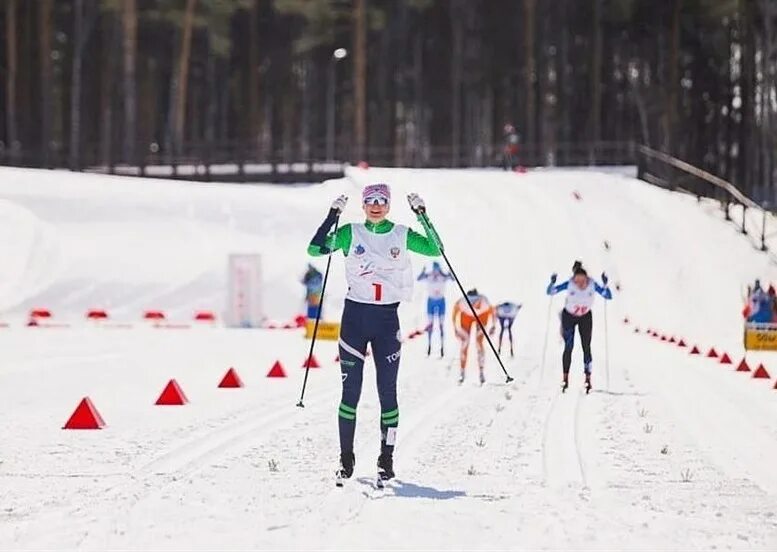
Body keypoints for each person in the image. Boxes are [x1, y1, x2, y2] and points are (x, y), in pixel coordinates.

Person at [307, 183, 441, 486]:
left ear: (389, 205)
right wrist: (332, 216)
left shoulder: (401, 234)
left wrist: (423, 214)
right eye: (370, 201)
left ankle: (386, 458)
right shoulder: (349, 233)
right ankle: (345, 459)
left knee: (387, 393)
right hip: (354, 319)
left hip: (386, 322)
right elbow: (314, 249)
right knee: (349, 394)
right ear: (364, 204)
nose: (376, 205)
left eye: (382, 200)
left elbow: (435, 249)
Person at [546, 262, 612, 392]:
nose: (579, 283)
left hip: (585, 317)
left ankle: (588, 379)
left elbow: (608, 296)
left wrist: (605, 284)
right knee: (568, 346)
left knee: (586, 347)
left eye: (582, 280)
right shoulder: (570, 284)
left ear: (586, 278)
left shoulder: (592, 284)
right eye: (577, 280)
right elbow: (550, 292)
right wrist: (552, 283)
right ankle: (565, 378)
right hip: (569, 317)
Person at [452, 288, 496, 385]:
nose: (473, 303)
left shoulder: (484, 302)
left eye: (475, 301)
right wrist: (455, 328)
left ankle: (481, 372)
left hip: (481, 316)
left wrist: (493, 325)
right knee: (465, 342)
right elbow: (454, 313)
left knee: (479, 342)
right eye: (470, 301)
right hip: (466, 317)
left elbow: (493, 311)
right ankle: (462, 372)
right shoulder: (462, 302)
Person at [417, 261, 454, 358]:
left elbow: (453, 279)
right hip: (431, 302)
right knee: (430, 324)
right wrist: (423, 271)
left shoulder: (443, 276)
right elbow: (419, 278)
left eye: (437, 270)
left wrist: (449, 272)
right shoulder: (429, 276)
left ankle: (442, 347)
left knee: (441, 325)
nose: (435, 273)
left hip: (441, 301)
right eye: (434, 270)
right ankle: (429, 346)